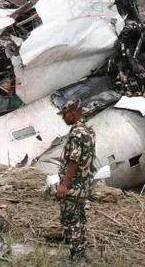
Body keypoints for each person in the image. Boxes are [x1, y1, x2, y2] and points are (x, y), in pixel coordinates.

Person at [57, 98, 95, 264]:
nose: (63, 118)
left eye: (65, 115)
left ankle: (76, 258)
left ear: (73, 114)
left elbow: (74, 160)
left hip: (73, 186)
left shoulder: (76, 134)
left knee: (70, 221)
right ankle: (79, 256)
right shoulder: (88, 131)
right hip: (83, 185)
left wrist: (64, 184)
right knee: (79, 220)